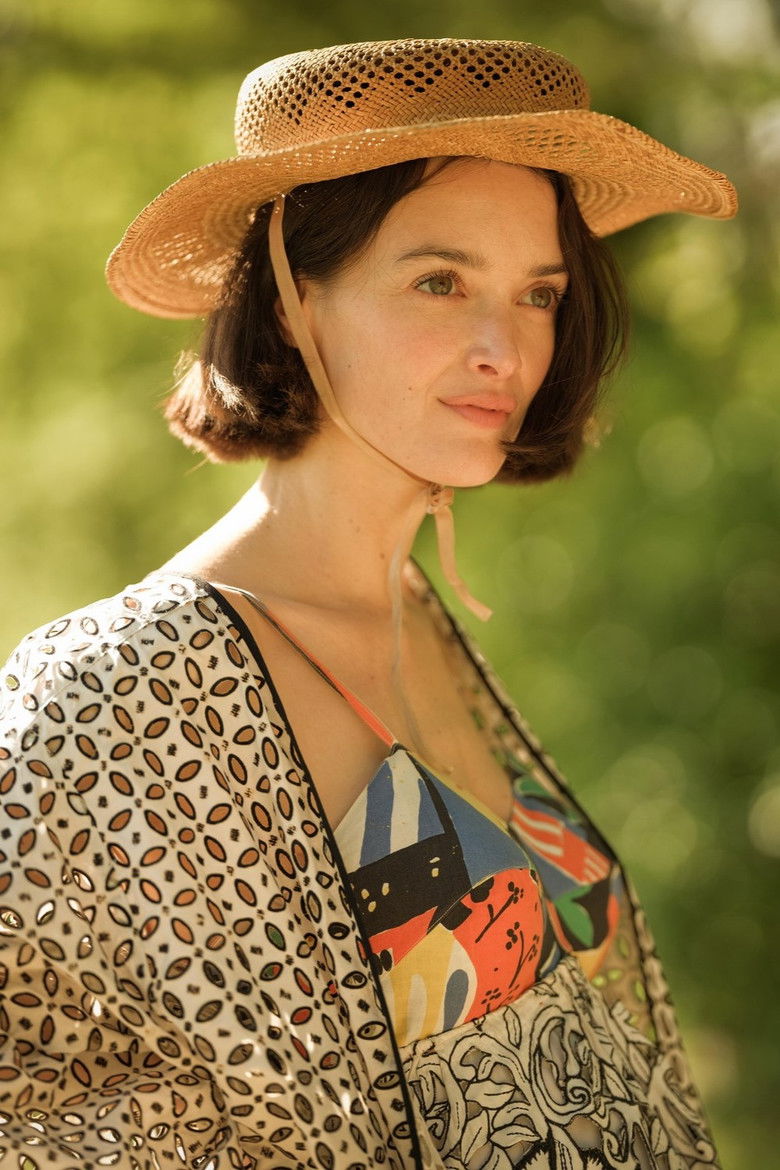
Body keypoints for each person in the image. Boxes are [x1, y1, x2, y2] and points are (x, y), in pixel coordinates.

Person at [0, 37, 736, 1170]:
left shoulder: (422, 617)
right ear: (293, 296)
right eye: (440, 281)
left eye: (538, 294)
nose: (505, 347)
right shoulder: (124, 685)